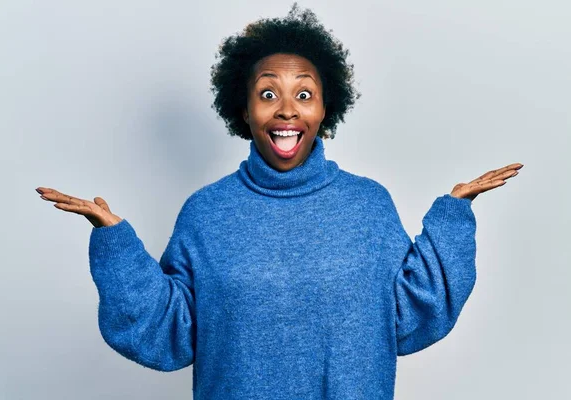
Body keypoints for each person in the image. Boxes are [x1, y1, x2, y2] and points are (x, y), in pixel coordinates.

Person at [36, 3, 523, 399]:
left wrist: (453, 218)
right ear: (243, 110)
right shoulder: (205, 213)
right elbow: (169, 333)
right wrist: (114, 241)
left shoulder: (368, 206)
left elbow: (412, 315)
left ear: (325, 110)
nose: (287, 109)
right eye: (268, 93)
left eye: (304, 94)